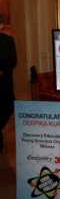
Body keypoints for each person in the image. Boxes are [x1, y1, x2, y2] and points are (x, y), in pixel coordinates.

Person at [0, 13, 17, 152]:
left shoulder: (8, 40)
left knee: (6, 109)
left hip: (4, 84)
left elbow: (13, 59)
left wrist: (1, 71)